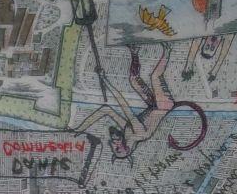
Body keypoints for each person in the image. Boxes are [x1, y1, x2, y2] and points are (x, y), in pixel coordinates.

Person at [73, 43, 205, 162]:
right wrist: (105, 80)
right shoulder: (138, 134)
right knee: (155, 77)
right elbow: (123, 104)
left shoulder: (128, 133)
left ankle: (134, 51)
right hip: (164, 104)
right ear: (127, 150)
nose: (113, 145)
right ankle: (168, 49)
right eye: (117, 149)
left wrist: (79, 129)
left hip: (153, 105)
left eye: (114, 149)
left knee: (133, 79)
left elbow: (105, 110)